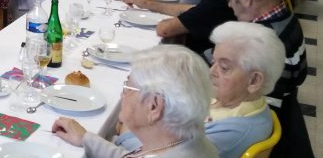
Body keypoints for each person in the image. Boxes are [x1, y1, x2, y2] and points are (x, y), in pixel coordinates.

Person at [114, 21, 285, 158]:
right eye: (214, 61)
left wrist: (128, 125)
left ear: (254, 80)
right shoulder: (237, 103)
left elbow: (150, 150)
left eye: (224, 67)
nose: (211, 71)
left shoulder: (233, 134)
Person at [52, 45, 217, 158]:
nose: (122, 94)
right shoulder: (184, 141)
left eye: (128, 88)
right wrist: (86, 138)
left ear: (154, 106)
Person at [224, 0, 312, 158]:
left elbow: (252, 111)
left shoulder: (260, 43)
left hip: (258, 130)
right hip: (289, 117)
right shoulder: (287, 18)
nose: (229, 4)